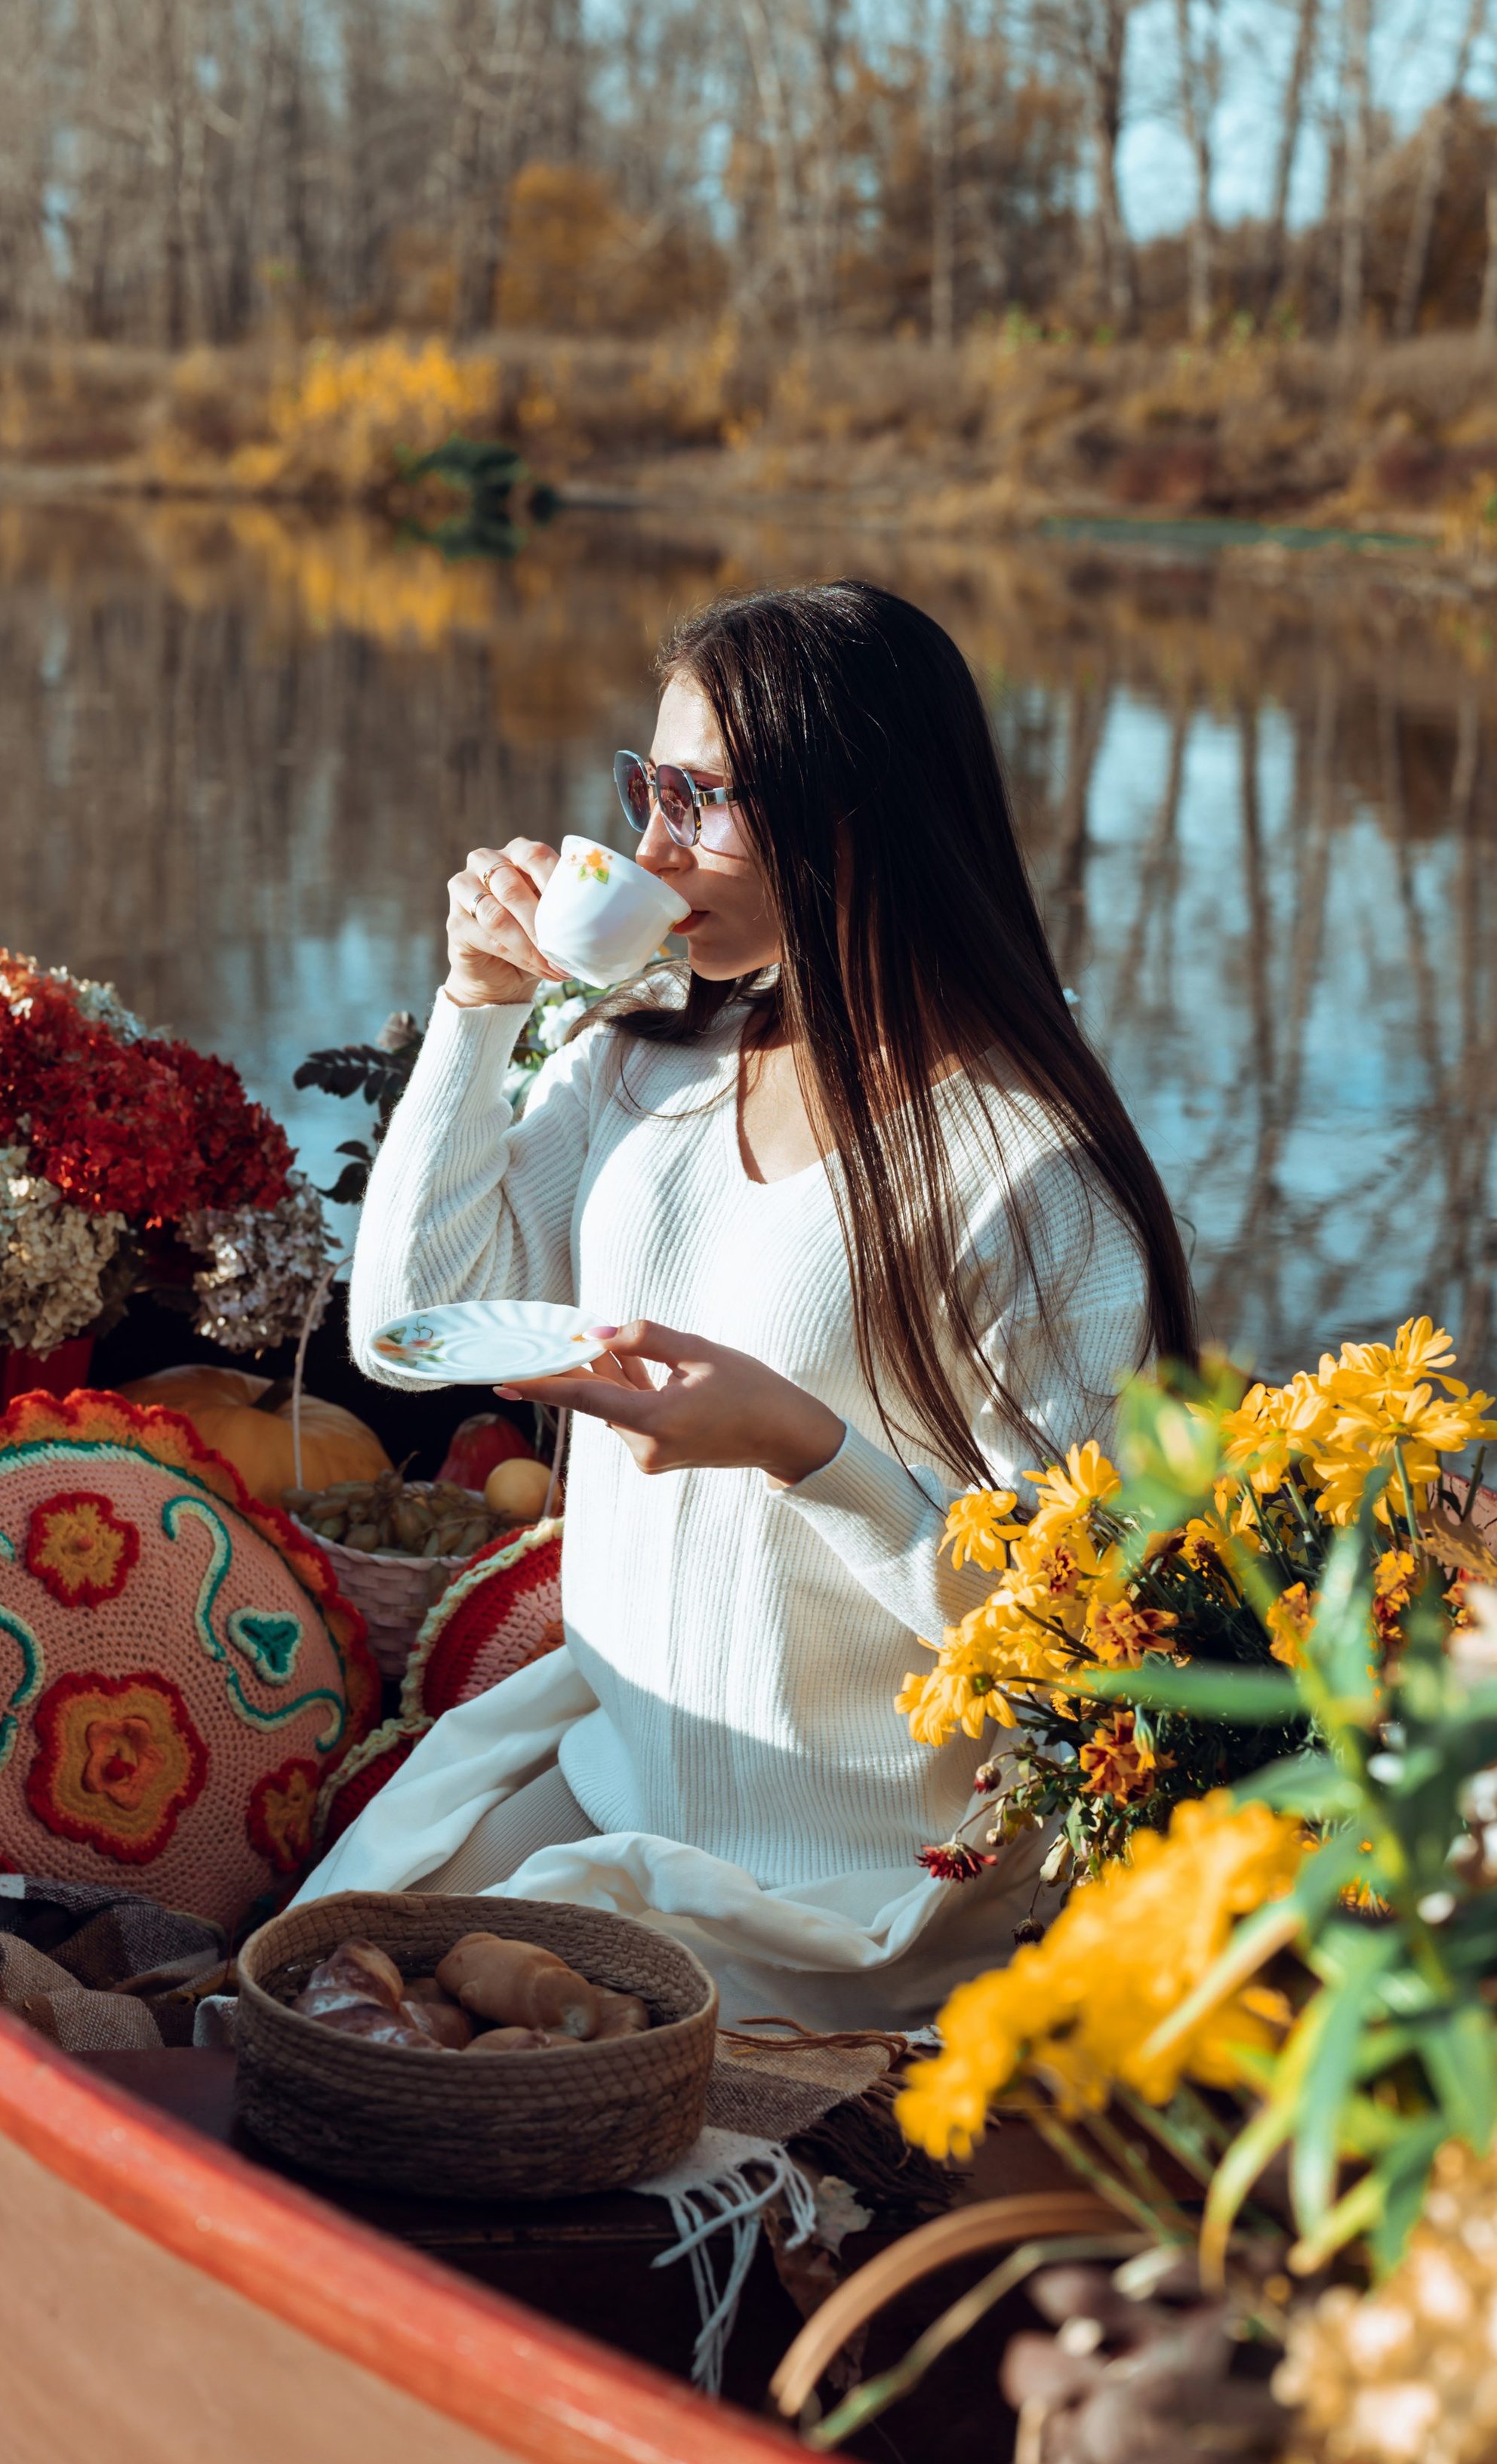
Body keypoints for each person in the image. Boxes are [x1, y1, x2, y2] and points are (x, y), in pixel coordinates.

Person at [297, 581, 1194, 2028]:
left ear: (853, 822)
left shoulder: (1031, 1179)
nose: (649, 849)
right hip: (620, 1762)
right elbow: (409, 1324)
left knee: (463, 2047)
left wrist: (804, 1448)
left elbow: (1066, 1628)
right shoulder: (644, 1060)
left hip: (858, 1872)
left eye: (698, 801)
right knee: (307, 1988)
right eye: (646, 787)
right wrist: (475, 1005)